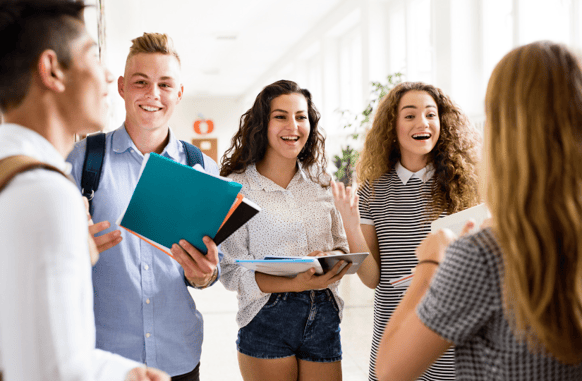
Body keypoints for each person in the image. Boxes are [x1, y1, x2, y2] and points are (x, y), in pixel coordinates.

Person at [374, 41, 582, 380]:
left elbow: (391, 369)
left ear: (503, 131)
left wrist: (430, 263)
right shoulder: (375, 189)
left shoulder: (484, 256)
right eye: (409, 114)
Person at [0, 0, 168, 381]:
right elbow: (55, 372)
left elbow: (30, 348)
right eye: (93, 55)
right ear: (53, 69)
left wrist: (123, 373)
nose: (109, 75)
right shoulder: (46, 192)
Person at [66, 32, 221, 381]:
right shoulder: (82, 162)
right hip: (104, 360)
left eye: (165, 84)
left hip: (178, 356)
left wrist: (206, 274)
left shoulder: (201, 169)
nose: (153, 95)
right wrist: (75, 248)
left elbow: (212, 264)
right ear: (122, 87)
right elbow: (46, 256)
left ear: (179, 93)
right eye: (141, 82)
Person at [331, 81, 481, 380]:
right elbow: (373, 278)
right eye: (410, 115)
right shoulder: (372, 192)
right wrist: (350, 224)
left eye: (430, 114)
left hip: (450, 338)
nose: (422, 122)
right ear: (393, 126)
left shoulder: (465, 187)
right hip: (394, 333)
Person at [219, 80, 350, 381]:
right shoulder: (237, 188)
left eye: (301, 116)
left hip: (325, 314)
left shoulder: (321, 182)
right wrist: (296, 283)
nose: (293, 125)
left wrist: (333, 257)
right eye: (281, 116)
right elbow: (230, 272)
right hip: (267, 318)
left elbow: (342, 246)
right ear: (262, 124)